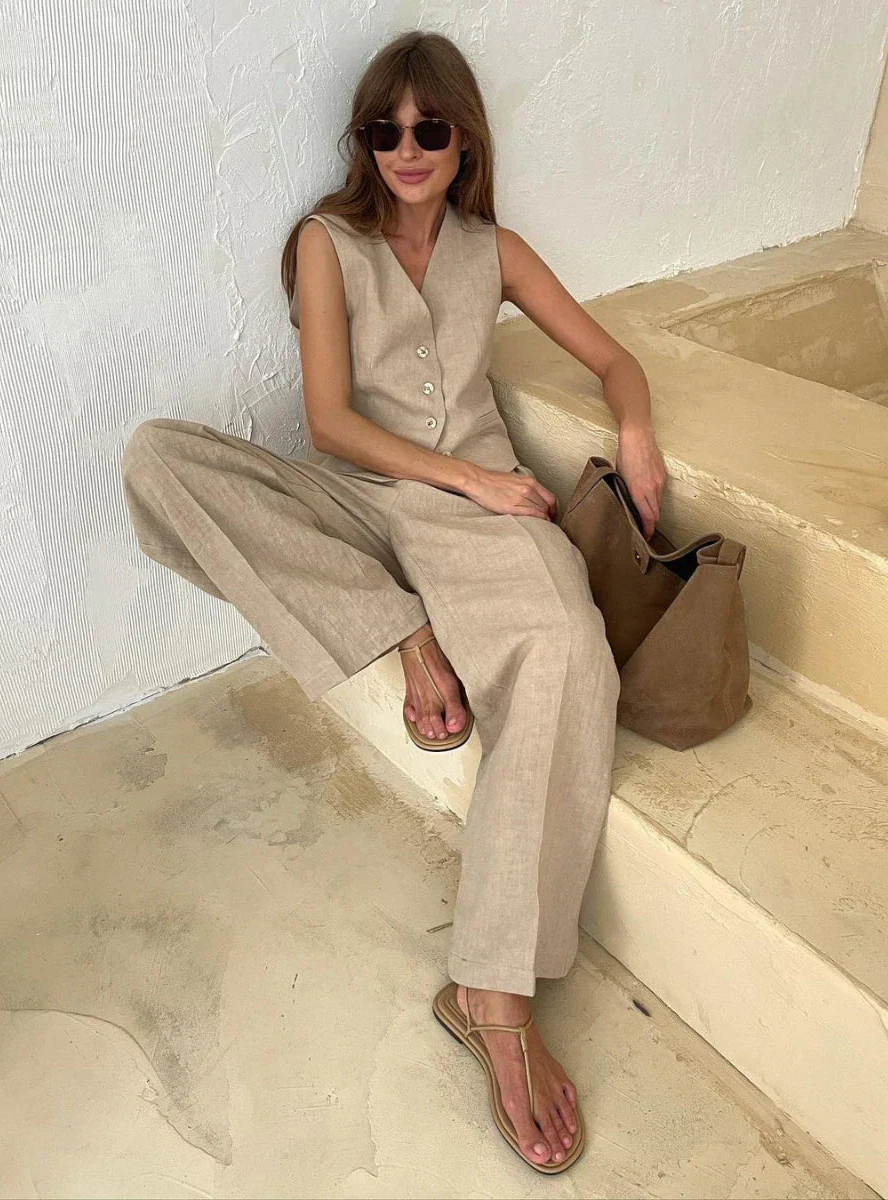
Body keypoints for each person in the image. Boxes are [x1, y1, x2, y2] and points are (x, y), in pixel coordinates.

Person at [122, 29, 667, 1173]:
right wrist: (471, 476)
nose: (407, 149)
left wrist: (635, 431)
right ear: (363, 141)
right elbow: (329, 424)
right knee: (160, 458)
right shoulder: (327, 244)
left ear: (465, 139)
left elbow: (615, 361)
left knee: (571, 650)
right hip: (367, 502)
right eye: (385, 129)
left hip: (480, 528)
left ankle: (491, 997)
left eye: (430, 128)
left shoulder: (495, 250)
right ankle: (403, 626)